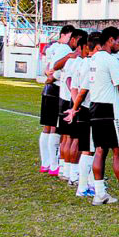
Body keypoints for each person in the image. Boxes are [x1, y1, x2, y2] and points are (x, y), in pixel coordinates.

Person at [86, 26, 119, 207]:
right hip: (110, 110)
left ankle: (99, 193)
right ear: (110, 40)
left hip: (95, 108)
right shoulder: (109, 60)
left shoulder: (93, 59)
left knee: (100, 150)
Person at [66, 31, 101, 197]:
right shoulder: (90, 64)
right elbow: (83, 89)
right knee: (89, 149)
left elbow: (73, 86)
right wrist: (76, 107)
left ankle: (90, 183)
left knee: (89, 148)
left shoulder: (82, 63)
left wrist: (75, 105)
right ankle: (83, 186)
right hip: (89, 109)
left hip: (84, 108)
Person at [39, 24, 75, 176]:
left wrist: (48, 76)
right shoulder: (65, 50)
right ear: (65, 35)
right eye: (72, 37)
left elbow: (46, 68)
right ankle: (54, 164)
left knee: (47, 127)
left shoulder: (51, 47)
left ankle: (45, 163)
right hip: (57, 89)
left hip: (48, 89)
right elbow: (57, 70)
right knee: (54, 127)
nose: (73, 41)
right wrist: (52, 77)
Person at [51, 28, 86, 182]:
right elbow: (69, 81)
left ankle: (64, 169)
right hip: (71, 102)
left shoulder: (69, 60)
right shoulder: (76, 60)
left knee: (66, 138)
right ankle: (73, 173)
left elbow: (56, 71)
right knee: (75, 139)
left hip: (63, 99)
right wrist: (76, 102)